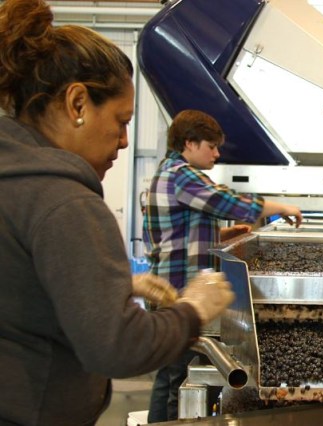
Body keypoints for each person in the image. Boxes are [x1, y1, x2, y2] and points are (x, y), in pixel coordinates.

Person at [0, 0, 236, 424]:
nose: (125, 141)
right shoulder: (64, 201)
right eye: (121, 120)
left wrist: (105, 284)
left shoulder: (14, 178)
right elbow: (119, 347)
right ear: (77, 104)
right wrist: (195, 308)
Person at [142, 109, 303, 422]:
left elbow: (178, 233)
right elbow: (224, 201)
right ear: (189, 143)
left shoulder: (168, 173)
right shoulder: (182, 175)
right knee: (178, 380)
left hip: (166, 291)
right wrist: (279, 205)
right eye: (210, 146)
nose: (216, 153)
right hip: (179, 295)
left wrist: (223, 233)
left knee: (168, 375)